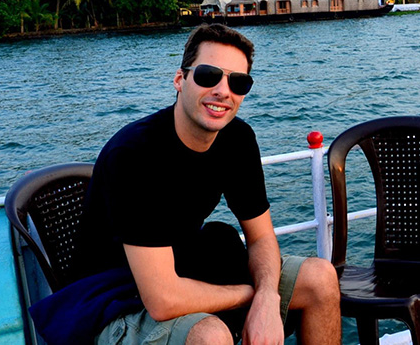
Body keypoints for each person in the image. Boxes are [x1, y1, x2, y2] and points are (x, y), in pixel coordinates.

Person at [77, 24, 341, 345]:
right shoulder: (134, 155)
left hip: (186, 268)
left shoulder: (238, 139)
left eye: (238, 82)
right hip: (115, 301)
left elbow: (260, 238)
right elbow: (162, 300)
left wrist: (268, 298)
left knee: (321, 279)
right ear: (180, 80)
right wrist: (253, 295)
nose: (223, 91)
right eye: (208, 75)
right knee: (211, 335)